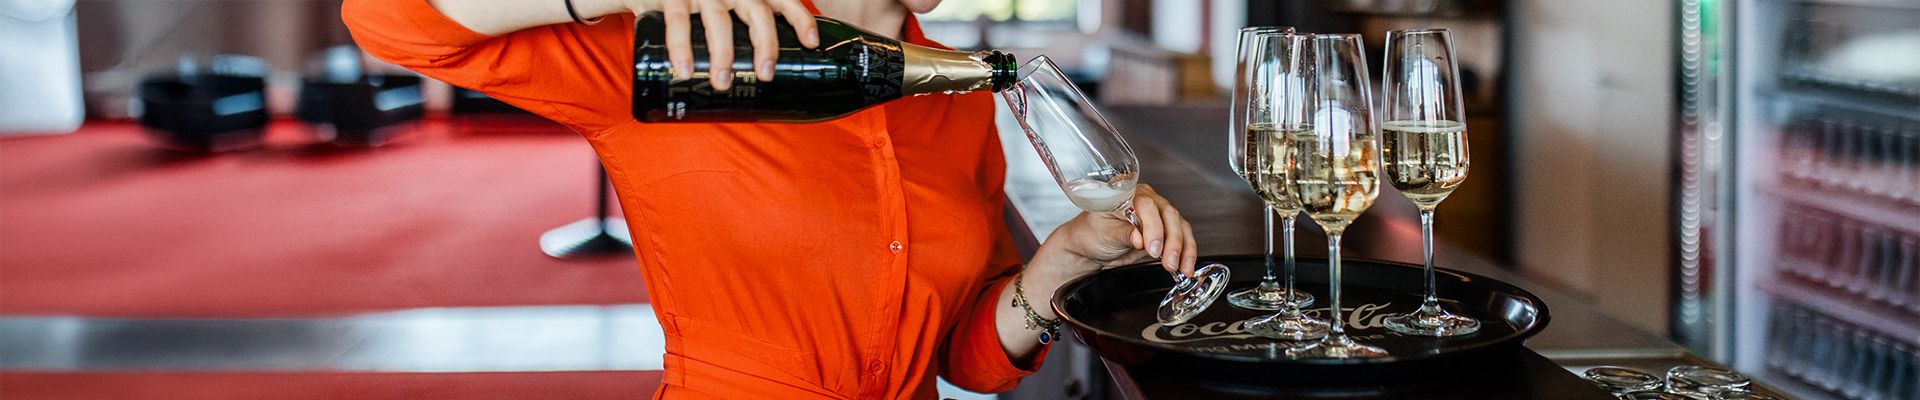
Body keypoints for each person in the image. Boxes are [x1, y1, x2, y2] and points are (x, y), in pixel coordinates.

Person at [340, 0, 1200, 398]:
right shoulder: (697, 45)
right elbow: (388, 21)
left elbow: (967, 361)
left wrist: (1062, 266)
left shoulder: (958, 94)